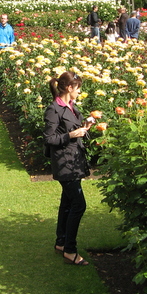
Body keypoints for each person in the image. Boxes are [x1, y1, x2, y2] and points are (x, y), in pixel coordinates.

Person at [43, 71, 94, 266]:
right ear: (69, 88)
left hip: (74, 160)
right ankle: (70, 250)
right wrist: (71, 135)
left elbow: (71, 129)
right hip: (65, 164)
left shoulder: (71, 106)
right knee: (79, 205)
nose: (80, 91)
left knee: (67, 203)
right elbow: (48, 139)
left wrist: (85, 127)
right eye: (78, 87)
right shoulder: (53, 109)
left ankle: (61, 242)